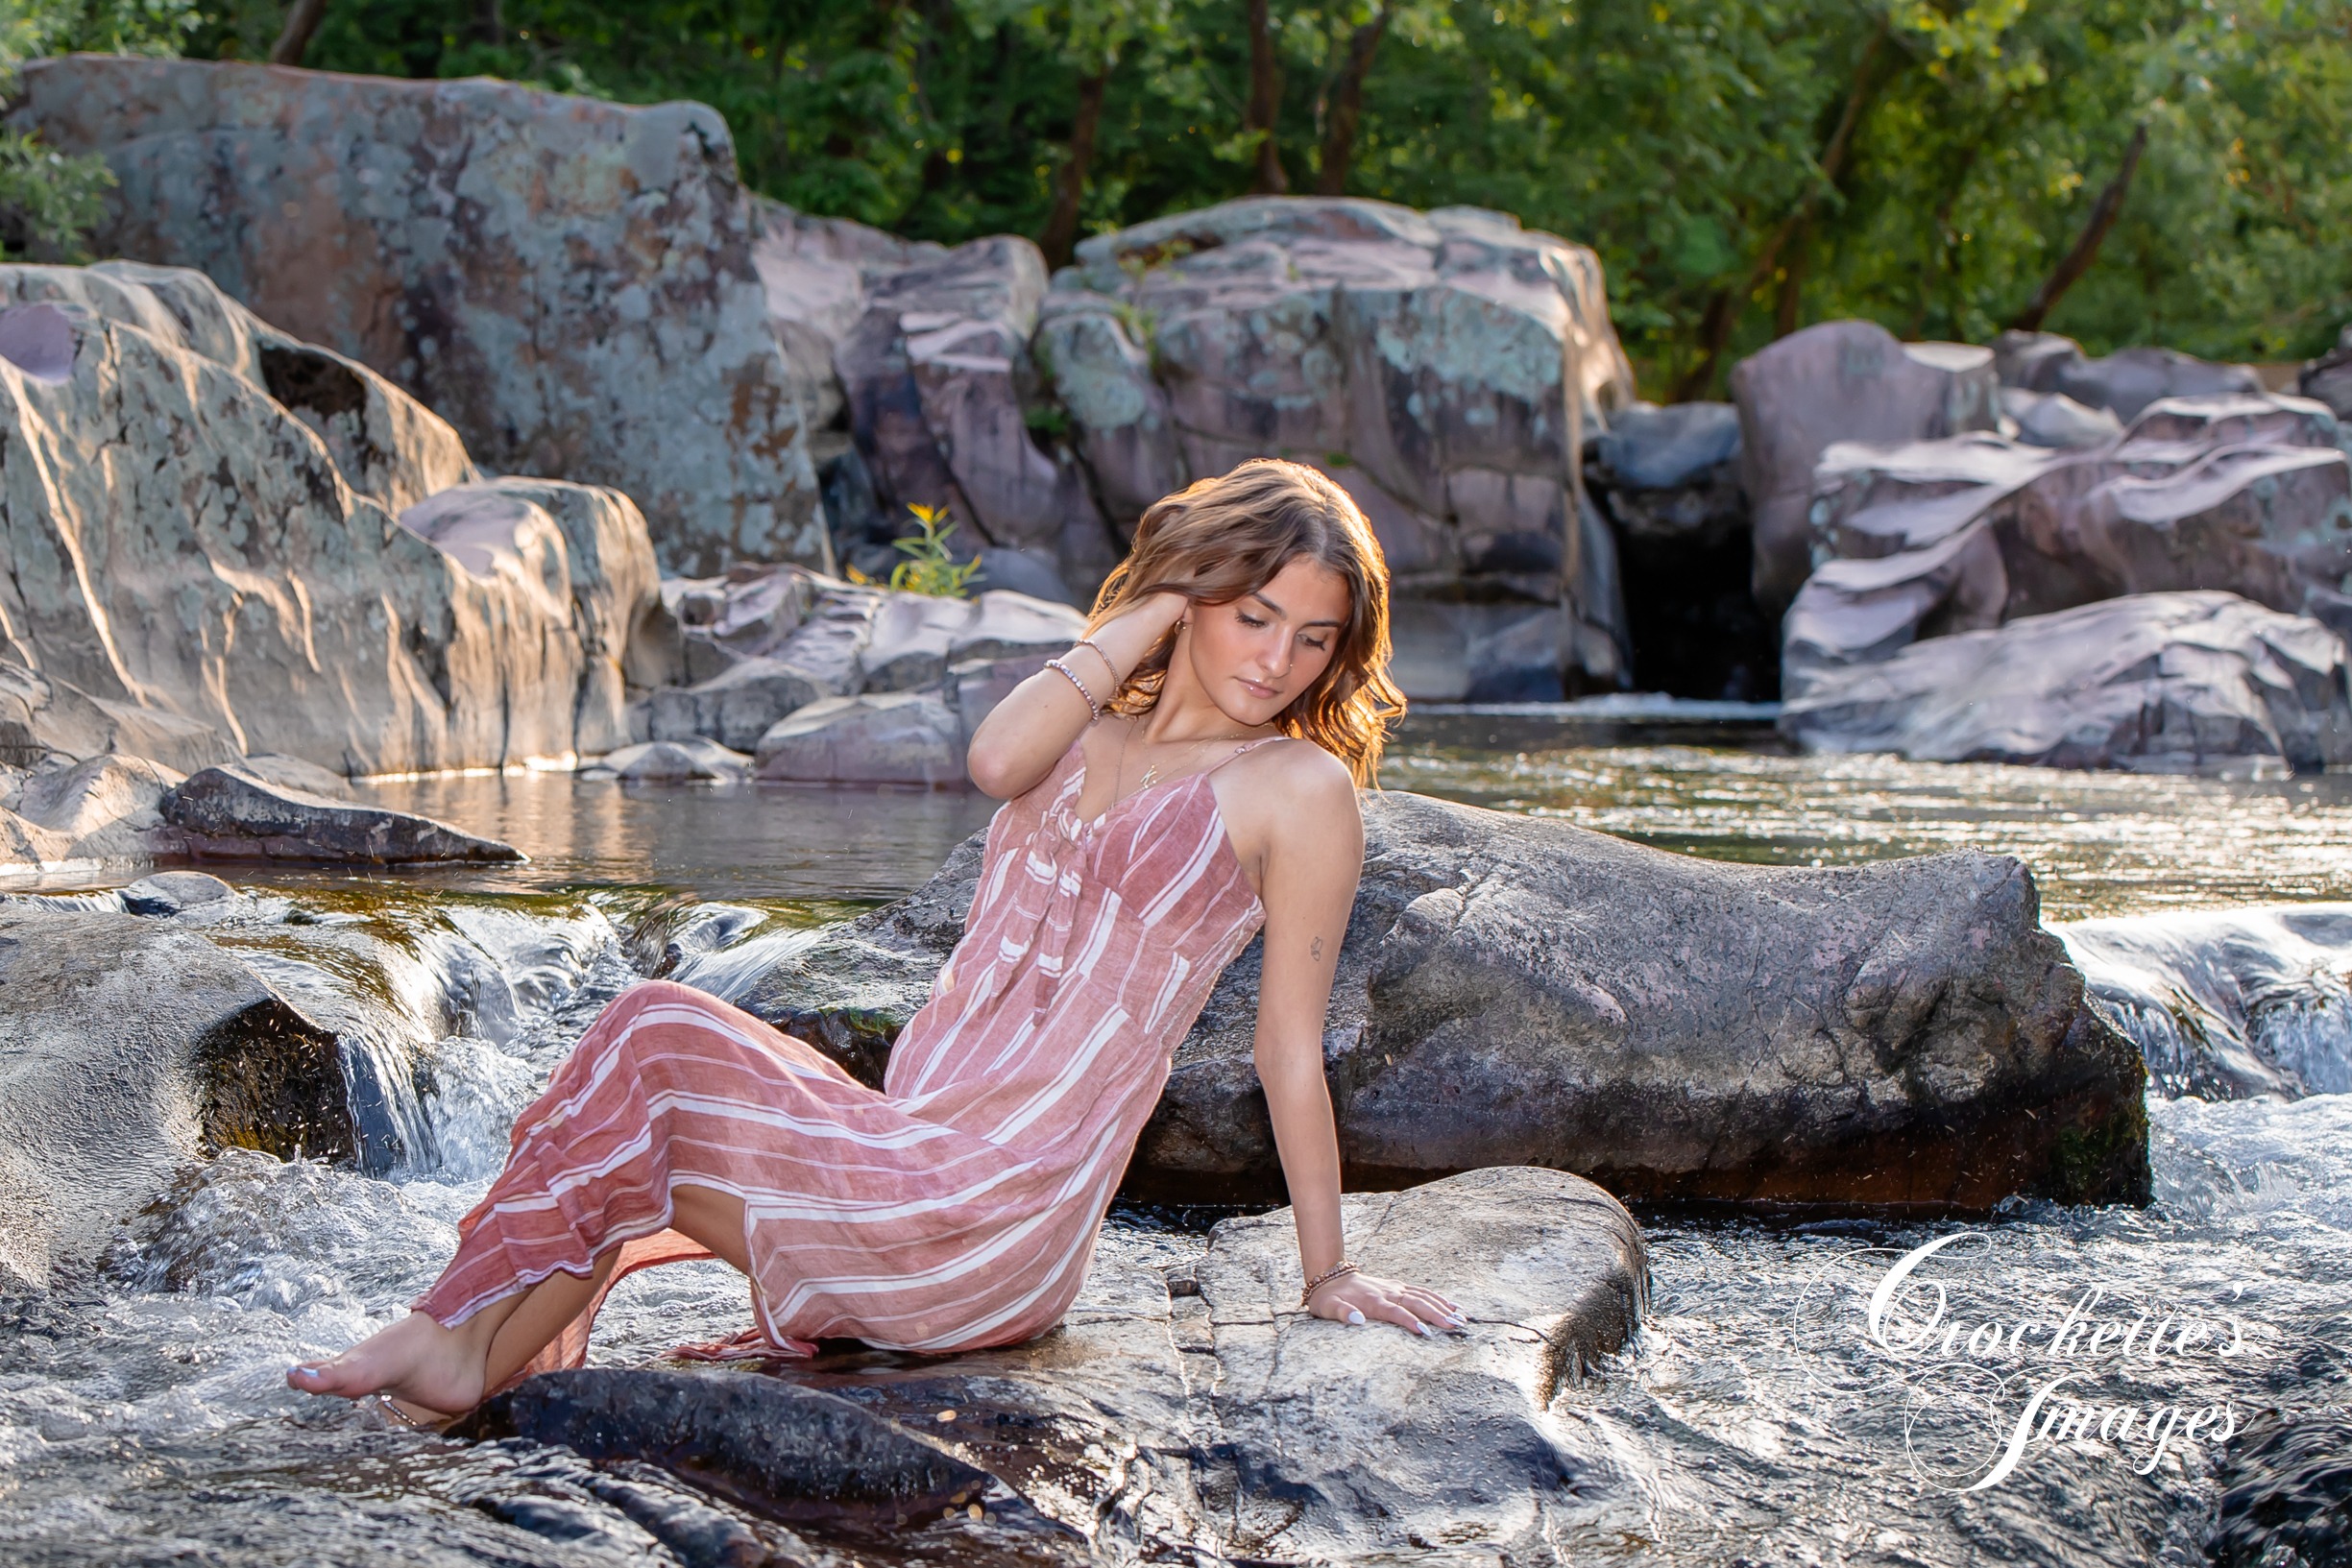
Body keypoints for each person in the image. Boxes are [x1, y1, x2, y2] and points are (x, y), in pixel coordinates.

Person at [287, 458, 1463, 1425]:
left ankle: (449, 1331)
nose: (1276, 658)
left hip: (993, 1211)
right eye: (1251, 613)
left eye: (1313, 638)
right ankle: (459, 1359)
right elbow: (996, 762)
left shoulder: (1297, 788)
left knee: (654, 1032)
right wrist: (1152, 614)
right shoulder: (1090, 726)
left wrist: (1328, 1272)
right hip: (907, 1137)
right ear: (1194, 589)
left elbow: (1286, 1051)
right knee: (634, 1117)